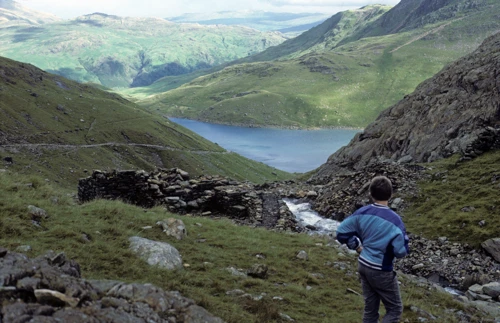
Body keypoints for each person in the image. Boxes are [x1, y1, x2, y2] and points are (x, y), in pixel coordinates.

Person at [336, 176, 409, 323]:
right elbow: (400, 252)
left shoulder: (362, 212)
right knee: (394, 310)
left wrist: (357, 246)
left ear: (371, 193)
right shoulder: (395, 221)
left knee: (370, 310)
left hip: (363, 263)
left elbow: (341, 232)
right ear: (390, 194)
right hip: (381, 269)